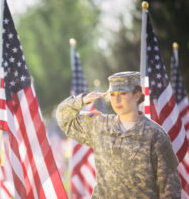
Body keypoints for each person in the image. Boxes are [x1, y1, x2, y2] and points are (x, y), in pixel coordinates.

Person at [56, 71, 181, 199]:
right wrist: (81, 100)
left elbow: (169, 186)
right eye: (112, 94)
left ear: (137, 95)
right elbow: (63, 118)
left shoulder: (155, 135)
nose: (116, 99)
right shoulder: (99, 125)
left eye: (123, 93)